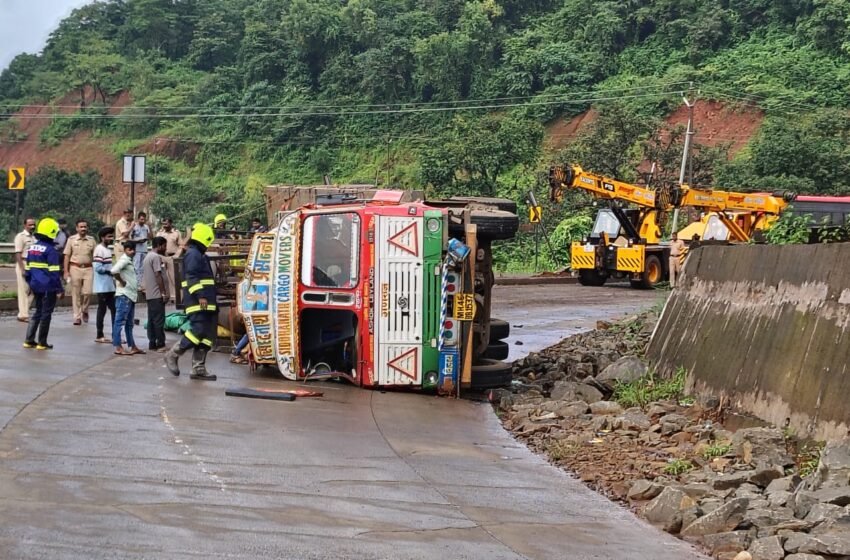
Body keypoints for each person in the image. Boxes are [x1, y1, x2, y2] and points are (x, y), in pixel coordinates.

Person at [164, 223, 218, 381]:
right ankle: (173, 354)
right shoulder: (193, 254)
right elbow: (192, 277)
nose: (208, 245)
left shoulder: (200, 255)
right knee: (198, 330)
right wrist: (201, 295)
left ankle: (198, 367)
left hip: (207, 302)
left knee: (208, 335)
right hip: (198, 301)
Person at [23, 218, 65, 350]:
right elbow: (54, 273)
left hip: (36, 285)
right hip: (48, 287)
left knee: (37, 312)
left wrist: (30, 284)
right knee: (46, 314)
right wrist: (59, 289)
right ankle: (42, 342)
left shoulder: (32, 248)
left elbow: (27, 270)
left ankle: (29, 340)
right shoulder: (51, 250)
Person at [111, 241, 145, 356]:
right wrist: (121, 281)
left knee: (129, 323)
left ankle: (132, 346)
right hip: (124, 295)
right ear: (125, 250)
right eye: (130, 249)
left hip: (130, 295)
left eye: (133, 249)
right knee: (119, 322)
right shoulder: (124, 260)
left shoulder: (129, 261)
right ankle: (118, 346)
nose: (133, 251)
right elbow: (114, 270)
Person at [64, 219, 96, 325]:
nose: (83, 229)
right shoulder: (71, 239)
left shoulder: (91, 240)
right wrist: (66, 271)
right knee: (76, 293)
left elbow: (96, 255)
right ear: (77, 228)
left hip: (88, 268)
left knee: (88, 292)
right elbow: (67, 255)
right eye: (81, 227)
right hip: (75, 268)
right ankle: (77, 316)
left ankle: (85, 310)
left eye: (85, 227)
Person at [143, 237, 169, 351]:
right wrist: (163, 292)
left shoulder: (147, 256)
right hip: (157, 294)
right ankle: (161, 344)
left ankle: (152, 342)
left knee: (152, 320)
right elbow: (158, 275)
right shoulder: (155, 257)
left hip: (150, 294)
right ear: (159, 245)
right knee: (159, 320)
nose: (165, 248)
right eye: (164, 246)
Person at [93, 227, 116, 343]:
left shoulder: (108, 250)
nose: (111, 238)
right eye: (109, 236)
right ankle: (99, 334)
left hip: (109, 285)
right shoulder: (99, 249)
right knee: (102, 310)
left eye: (112, 236)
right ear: (103, 237)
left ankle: (115, 335)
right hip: (102, 285)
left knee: (114, 310)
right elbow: (97, 267)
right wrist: (110, 272)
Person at [13, 217, 36, 323]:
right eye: (30, 224)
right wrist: (22, 268)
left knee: (33, 290)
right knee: (23, 290)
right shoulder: (20, 237)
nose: (32, 226)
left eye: (33, 224)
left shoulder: (34, 238)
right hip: (24, 262)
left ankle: (23, 312)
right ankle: (23, 314)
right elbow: (18, 253)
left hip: (33, 264)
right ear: (25, 225)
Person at [156, 217, 183, 300]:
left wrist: (177, 255)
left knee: (174, 277)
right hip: (162, 256)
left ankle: (177, 297)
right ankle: (166, 296)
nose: (164, 226)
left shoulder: (176, 233)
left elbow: (181, 245)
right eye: (163, 224)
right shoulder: (160, 233)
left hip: (173, 257)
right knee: (163, 277)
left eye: (166, 224)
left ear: (171, 223)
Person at [131, 212, 151, 287]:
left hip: (144, 250)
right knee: (136, 267)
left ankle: (142, 284)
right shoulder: (134, 227)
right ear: (138, 219)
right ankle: (135, 284)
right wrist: (138, 241)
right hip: (137, 250)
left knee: (143, 268)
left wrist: (150, 227)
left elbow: (150, 237)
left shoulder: (146, 227)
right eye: (141, 219)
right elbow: (130, 239)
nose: (143, 221)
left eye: (144, 219)